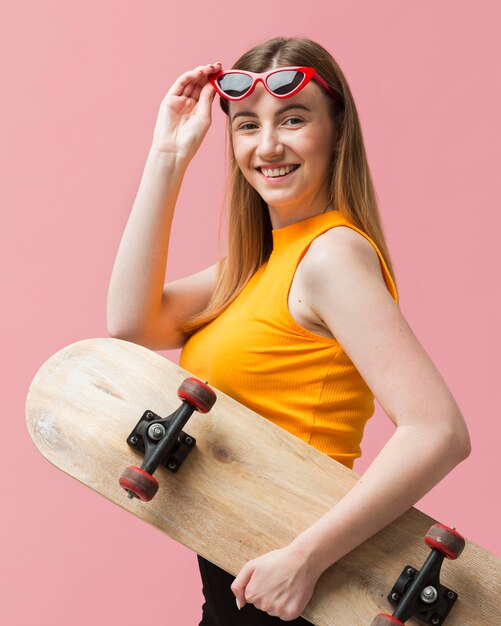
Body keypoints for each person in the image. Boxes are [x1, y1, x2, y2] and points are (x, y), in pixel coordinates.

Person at [107, 36, 471, 625]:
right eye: (247, 125)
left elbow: (438, 430)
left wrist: (306, 558)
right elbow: (129, 323)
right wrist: (169, 154)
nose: (268, 145)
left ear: (337, 130)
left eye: (293, 119)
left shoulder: (330, 258)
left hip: (290, 577)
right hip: (238, 575)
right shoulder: (254, 266)